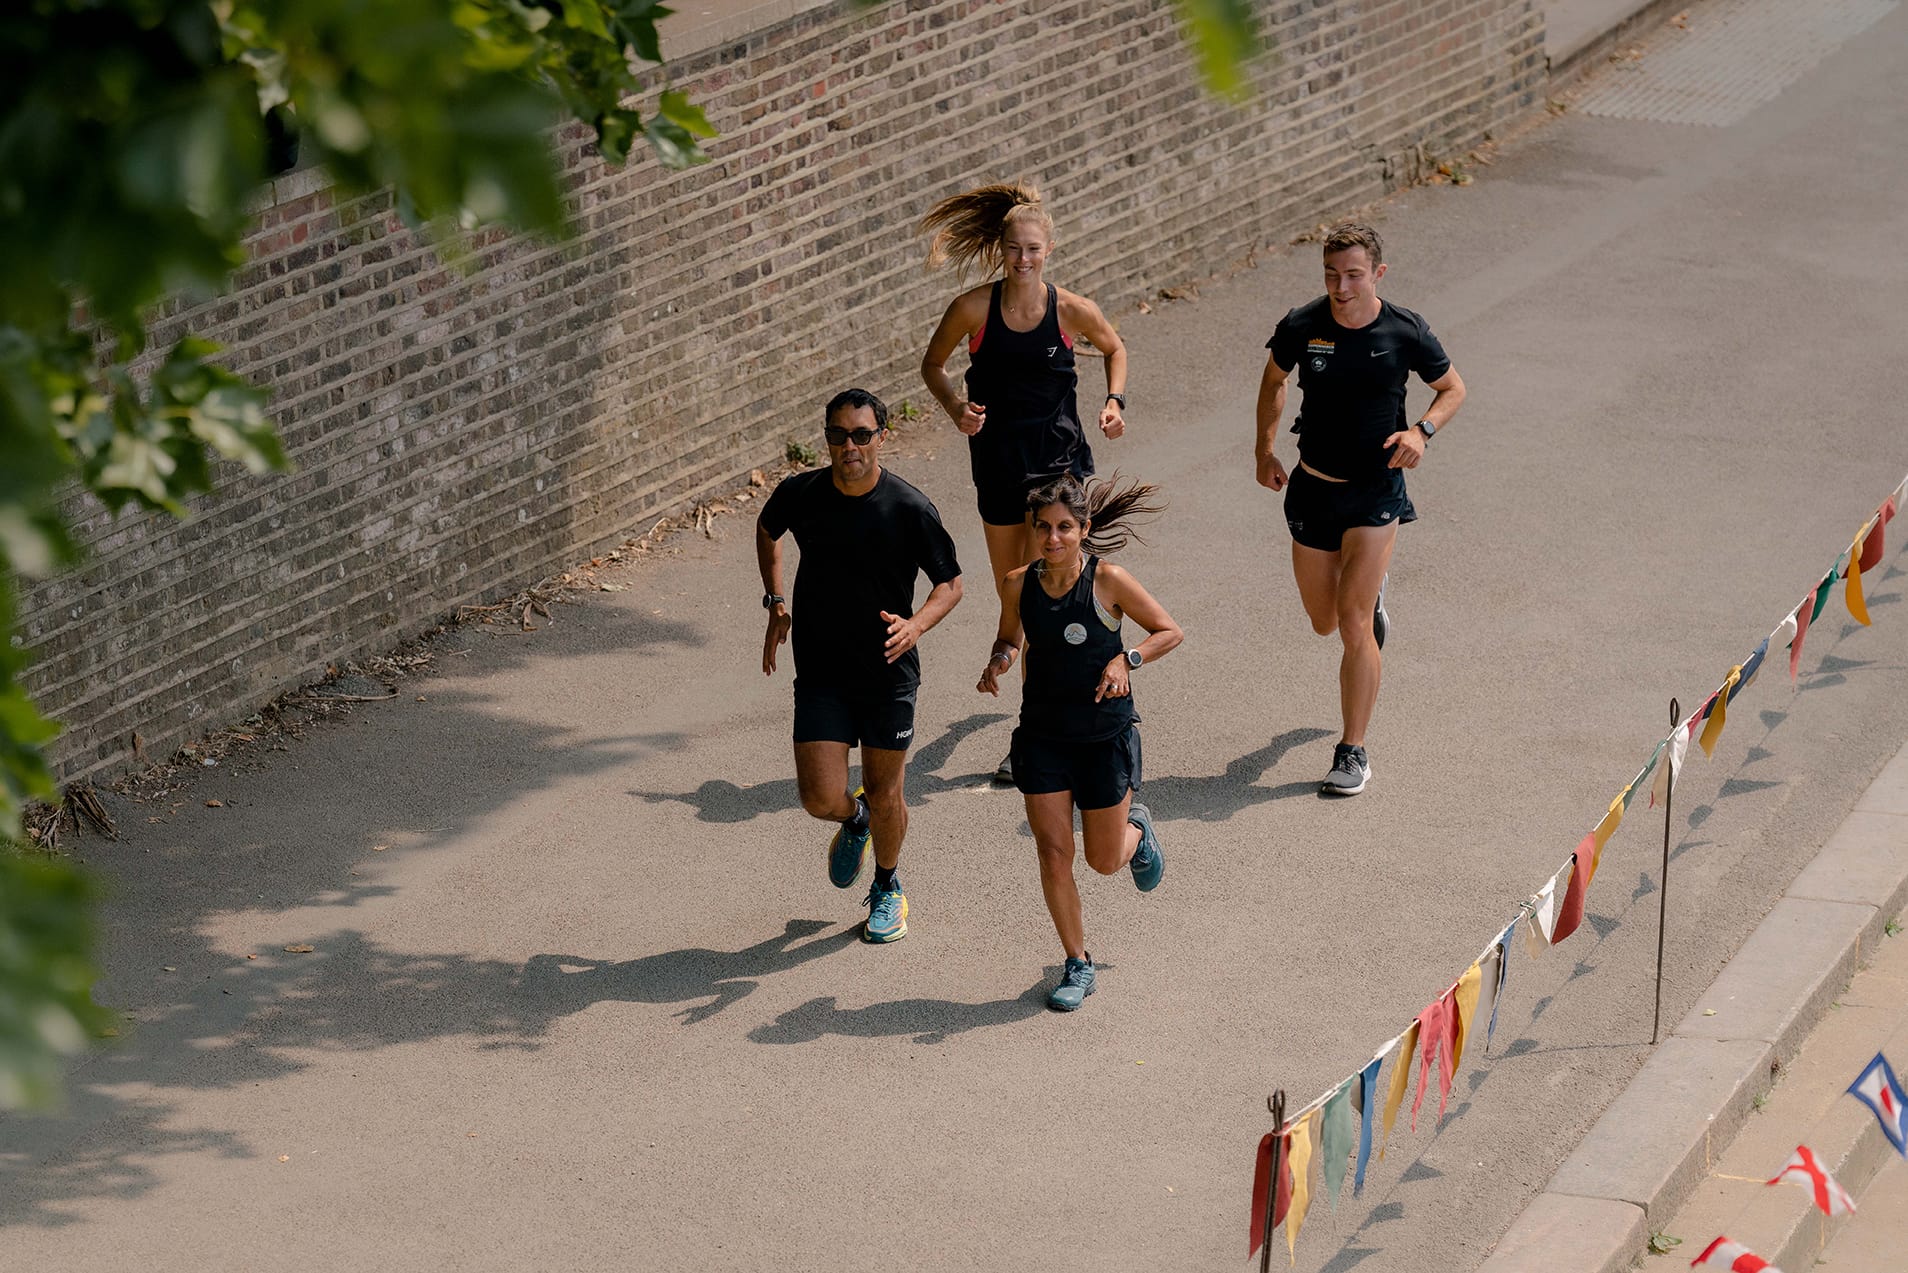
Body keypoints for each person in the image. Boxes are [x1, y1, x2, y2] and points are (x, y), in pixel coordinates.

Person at [919, 182, 1130, 785]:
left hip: (1058, 468)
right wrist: (955, 406)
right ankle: (1023, 679)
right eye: (1014, 249)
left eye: (1033, 249)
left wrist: (1114, 401)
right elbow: (931, 365)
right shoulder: (972, 310)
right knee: (1015, 594)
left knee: (1050, 594)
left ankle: (1035, 733)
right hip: (998, 468)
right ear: (1000, 250)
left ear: (1050, 249)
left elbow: (1115, 346)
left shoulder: (1070, 310)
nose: (1023, 259)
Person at [1254, 221, 1466, 796]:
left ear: (1378, 273)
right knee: (1324, 621)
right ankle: (1370, 611)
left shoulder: (1405, 329)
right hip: (1313, 487)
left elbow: (1453, 389)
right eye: (1331, 274)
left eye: (1352, 274)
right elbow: (1274, 380)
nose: (1341, 286)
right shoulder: (1303, 324)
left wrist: (1421, 432)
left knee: (1349, 627)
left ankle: (1352, 752)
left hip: (1377, 491)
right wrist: (1264, 450)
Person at [757, 388, 964, 943]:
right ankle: (854, 822)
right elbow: (767, 528)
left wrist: (916, 624)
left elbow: (951, 584)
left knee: (886, 789)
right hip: (822, 671)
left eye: (861, 435)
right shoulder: (801, 493)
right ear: (826, 438)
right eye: (837, 435)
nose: (849, 446)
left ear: (881, 438)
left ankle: (888, 886)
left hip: (887, 673)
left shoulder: (910, 508)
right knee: (819, 797)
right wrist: (776, 602)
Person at [977, 474, 1182, 1011]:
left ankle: (1138, 831)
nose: (1052, 538)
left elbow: (1168, 630)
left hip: (1102, 737)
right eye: (1043, 527)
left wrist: (1126, 659)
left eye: (1064, 527)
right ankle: (1077, 962)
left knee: (1104, 861)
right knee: (1052, 852)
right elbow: (1009, 636)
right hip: (1042, 736)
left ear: (1084, 529)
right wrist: (999, 661)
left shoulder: (1108, 581)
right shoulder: (1017, 583)